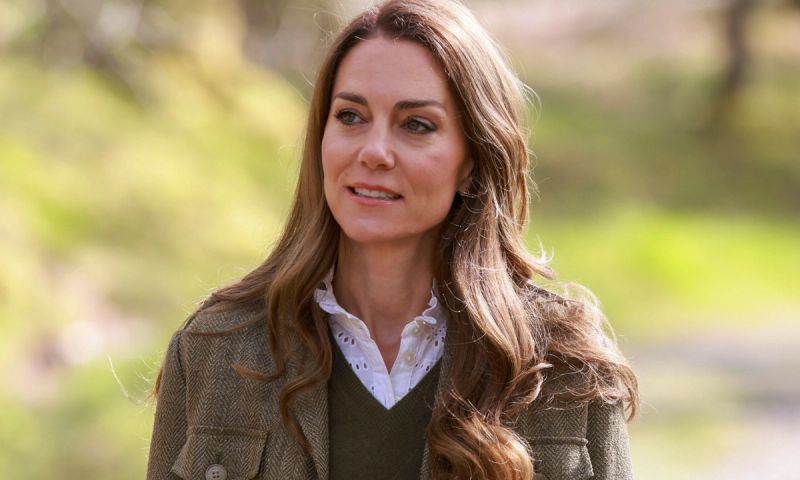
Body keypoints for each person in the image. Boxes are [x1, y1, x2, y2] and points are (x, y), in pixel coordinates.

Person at [146, 0, 639, 479]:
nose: (374, 151)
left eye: (416, 125)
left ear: (471, 163)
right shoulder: (214, 349)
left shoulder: (565, 367)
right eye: (351, 117)